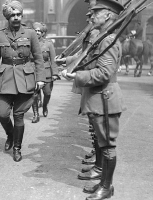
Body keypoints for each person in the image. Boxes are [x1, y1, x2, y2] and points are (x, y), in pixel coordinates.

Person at [60, 1, 125, 199]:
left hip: (105, 99)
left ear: (107, 16)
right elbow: (91, 60)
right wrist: (72, 64)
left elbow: (104, 73)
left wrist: (77, 76)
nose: (92, 15)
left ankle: (107, 187)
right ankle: (103, 183)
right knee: (103, 144)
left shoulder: (108, 40)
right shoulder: (103, 38)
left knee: (107, 146)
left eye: (96, 12)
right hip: (99, 99)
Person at [0, 0, 45, 162]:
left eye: (18, 14)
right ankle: (10, 134)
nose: (15, 17)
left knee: (19, 115)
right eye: (12, 15)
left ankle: (17, 148)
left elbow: (38, 57)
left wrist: (40, 78)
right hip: (5, 78)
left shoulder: (30, 33)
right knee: (3, 114)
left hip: (24, 78)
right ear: (7, 17)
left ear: (22, 15)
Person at [31, 22, 59, 123]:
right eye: (35, 31)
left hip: (46, 72)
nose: (37, 32)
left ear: (42, 33)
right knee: (34, 94)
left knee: (47, 93)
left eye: (39, 31)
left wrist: (55, 73)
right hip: (33, 72)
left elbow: (53, 60)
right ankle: (35, 114)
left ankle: (45, 106)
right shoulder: (29, 42)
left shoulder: (48, 43)